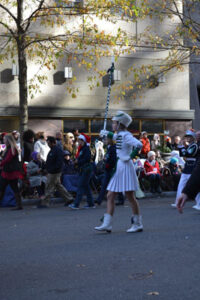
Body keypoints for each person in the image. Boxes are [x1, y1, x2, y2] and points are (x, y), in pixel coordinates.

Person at [95, 111, 143, 233]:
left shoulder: (126, 135)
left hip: (126, 165)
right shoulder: (120, 134)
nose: (112, 125)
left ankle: (137, 223)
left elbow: (139, 144)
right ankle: (107, 224)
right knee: (110, 195)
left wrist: (130, 156)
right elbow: (116, 137)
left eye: (114, 123)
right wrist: (107, 133)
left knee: (130, 196)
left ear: (120, 124)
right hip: (119, 167)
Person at [38, 136, 73, 208]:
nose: (48, 144)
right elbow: (49, 162)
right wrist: (43, 168)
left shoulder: (58, 150)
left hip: (55, 172)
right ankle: (69, 199)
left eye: (48, 143)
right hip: (52, 171)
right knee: (58, 186)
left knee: (49, 186)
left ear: (52, 143)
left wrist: (52, 169)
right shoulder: (52, 150)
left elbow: (59, 162)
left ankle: (45, 203)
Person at [171, 129, 200, 208]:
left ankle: (199, 204)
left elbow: (188, 154)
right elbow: (182, 154)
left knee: (195, 185)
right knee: (181, 186)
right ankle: (178, 202)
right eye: (187, 137)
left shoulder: (195, 145)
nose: (188, 138)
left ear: (193, 138)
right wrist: (182, 146)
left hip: (192, 168)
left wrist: (182, 147)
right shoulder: (190, 146)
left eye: (189, 137)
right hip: (187, 168)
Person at [69, 133, 95, 209]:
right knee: (86, 187)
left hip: (86, 169)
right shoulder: (82, 149)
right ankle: (91, 204)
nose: (78, 142)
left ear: (83, 141)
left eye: (79, 140)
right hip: (83, 169)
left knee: (80, 186)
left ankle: (76, 204)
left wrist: (78, 161)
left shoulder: (86, 149)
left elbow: (87, 159)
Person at [0, 134, 23, 210]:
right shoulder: (10, 149)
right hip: (10, 172)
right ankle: (19, 205)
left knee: (3, 188)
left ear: (8, 140)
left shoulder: (11, 149)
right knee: (12, 188)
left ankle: (19, 205)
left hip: (9, 172)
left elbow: (7, 159)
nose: (4, 141)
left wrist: (1, 163)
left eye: (5, 139)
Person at [96, 132, 117, 205]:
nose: (106, 140)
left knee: (115, 185)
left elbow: (113, 159)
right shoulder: (109, 147)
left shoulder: (114, 148)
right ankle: (99, 200)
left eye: (107, 139)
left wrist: (108, 164)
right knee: (104, 184)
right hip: (108, 169)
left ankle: (121, 198)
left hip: (111, 169)